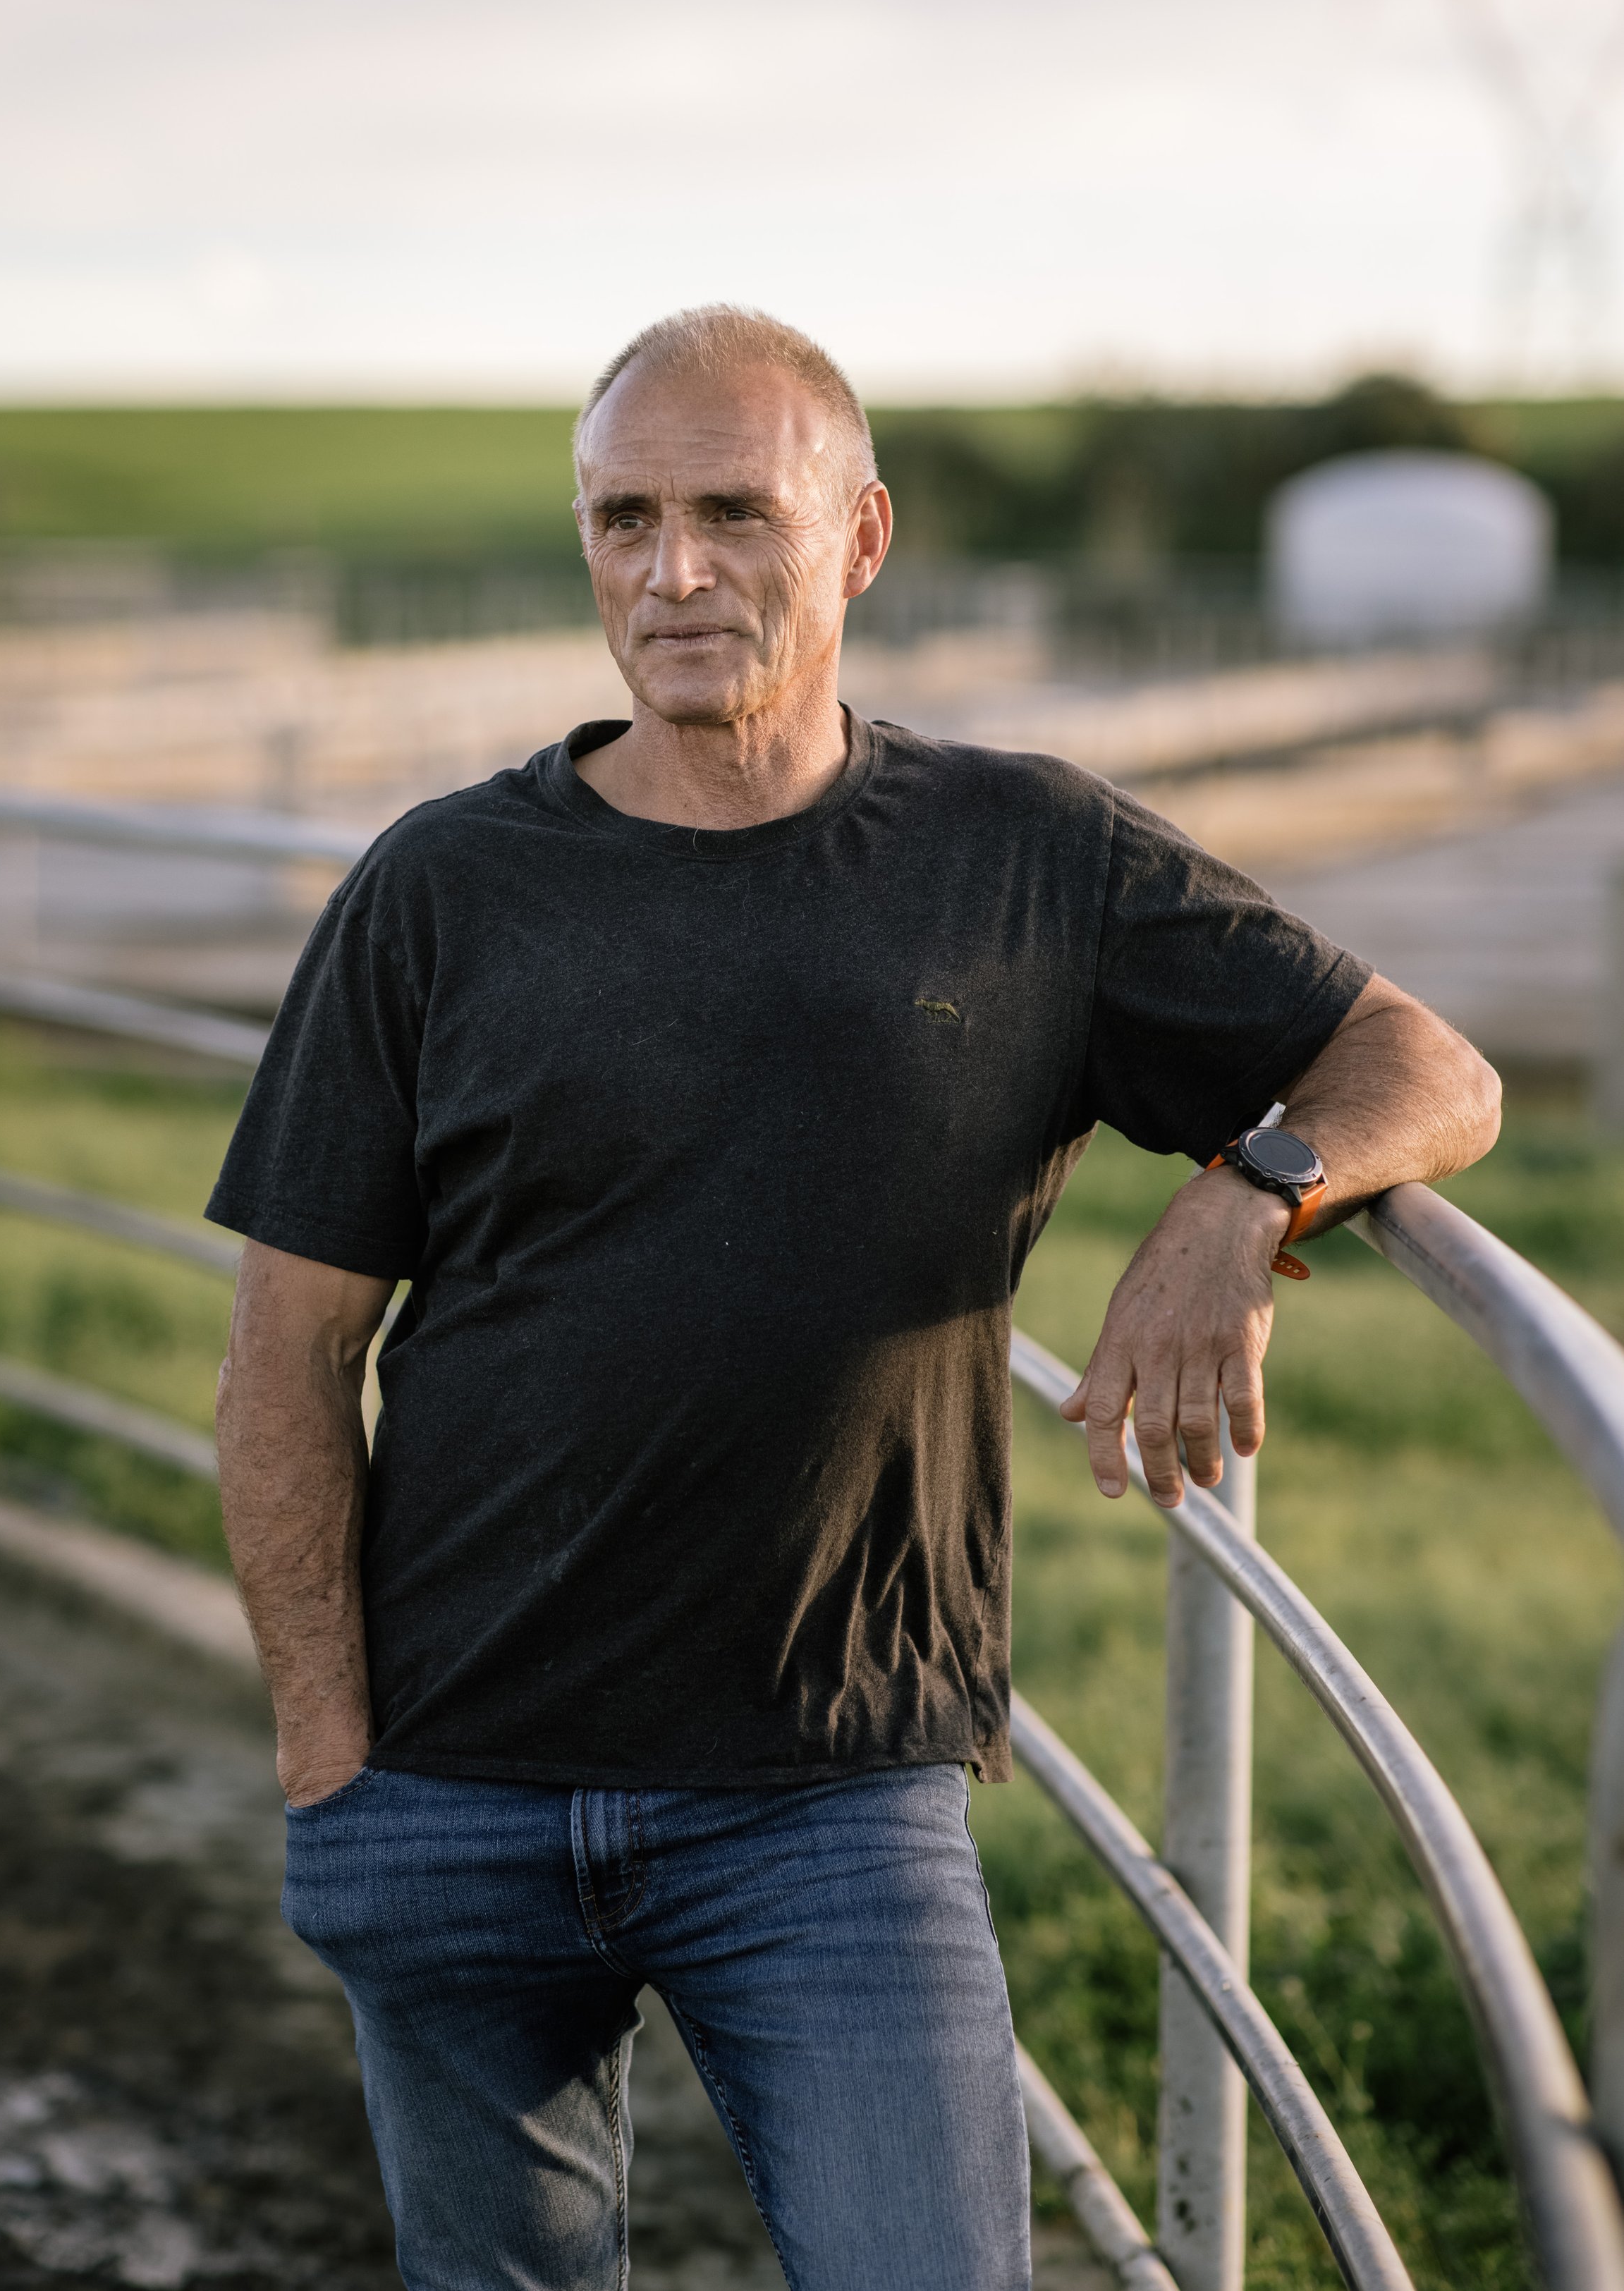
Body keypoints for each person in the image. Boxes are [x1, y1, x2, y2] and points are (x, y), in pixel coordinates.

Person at [207, 306, 1500, 2291]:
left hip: (825, 1801)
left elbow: (1427, 1066)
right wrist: (328, 1758)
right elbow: (289, 1350)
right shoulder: (439, 887)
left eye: (733, 510)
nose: (672, 570)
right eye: (621, 515)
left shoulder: (1024, 857)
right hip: (449, 1781)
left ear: (861, 535)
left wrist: (1244, 1197)